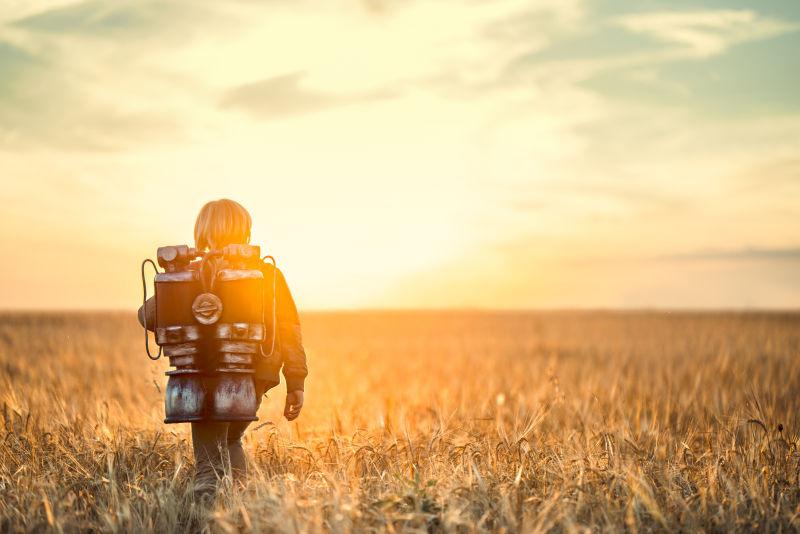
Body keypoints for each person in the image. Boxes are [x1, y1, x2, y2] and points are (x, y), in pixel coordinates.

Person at [138, 199, 308, 497]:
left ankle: (208, 515)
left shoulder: (189, 274)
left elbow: (147, 314)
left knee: (208, 467)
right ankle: (242, 511)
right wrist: (296, 381)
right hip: (253, 379)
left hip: (201, 377)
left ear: (201, 234)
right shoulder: (266, 274)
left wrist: (179, 283)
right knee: (230, 441)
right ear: (245, 233)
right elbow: (289, 328)